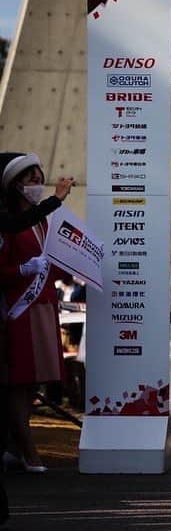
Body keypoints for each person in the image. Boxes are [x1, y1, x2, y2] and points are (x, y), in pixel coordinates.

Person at [0, 153, 76, 474]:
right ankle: (29, 450)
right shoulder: (8, 223)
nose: (37, 184)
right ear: (15, 185)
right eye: (31, 179)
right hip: (19, 309)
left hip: (43, 305)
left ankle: (15, 445)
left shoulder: (43, 223)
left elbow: (51, 263)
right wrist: (23, 268)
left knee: (34, 383)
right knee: (18, 381)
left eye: (38, 177)